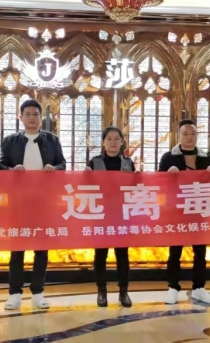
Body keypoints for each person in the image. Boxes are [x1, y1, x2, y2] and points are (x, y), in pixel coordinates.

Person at [0, 99, 66, 310]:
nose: (31, 118)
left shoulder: (52, 140)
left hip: (44, 202)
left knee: (41, 249)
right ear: (20, 117)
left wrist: (54, 168)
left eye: (35, 114)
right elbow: (0, 166)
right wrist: (11, 170)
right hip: (18, 202)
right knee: (17, 249)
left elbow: (62, 164)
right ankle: (14, 293)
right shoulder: (10, 141)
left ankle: (38, 292)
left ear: (41, 117)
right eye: (27, 114)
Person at [158, 119, 210, 306]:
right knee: (175, 251)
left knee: (200, 252)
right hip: (177, 211)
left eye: (193, 134)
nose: (189, 137)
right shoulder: (169, 157)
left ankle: (199, 288)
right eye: (185, 134)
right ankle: (173, 288)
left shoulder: (206, 157)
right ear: (179, 135)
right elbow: (158, 182)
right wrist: (168, 173)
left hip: (199, 210)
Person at [86, 126, 134, 308]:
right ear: (103, 142)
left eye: (116, 139)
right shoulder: (94, 163)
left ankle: (124, 292)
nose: (113, 142)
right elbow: (86, 188)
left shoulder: (128, 164)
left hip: (122, 216)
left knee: (122, 255)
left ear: (122, 142)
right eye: (109, 139)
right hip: (101, 216)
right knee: (101, 255)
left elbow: (134, 188)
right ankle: (102, 291)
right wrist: (85, 177)